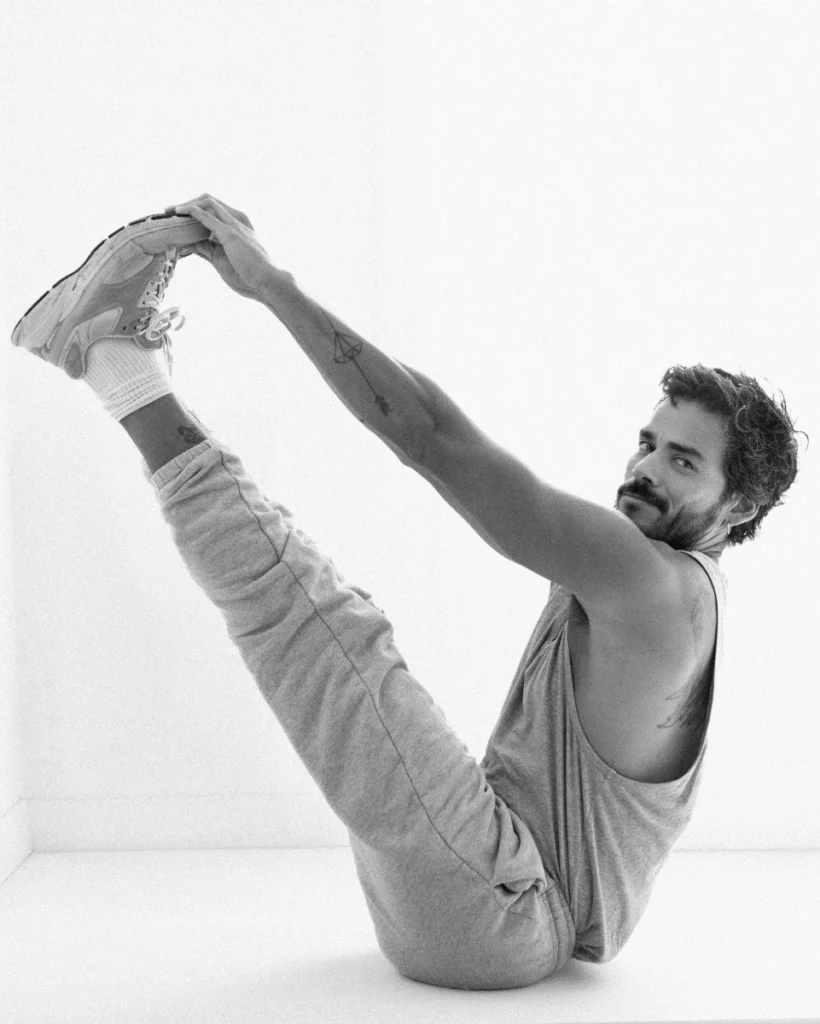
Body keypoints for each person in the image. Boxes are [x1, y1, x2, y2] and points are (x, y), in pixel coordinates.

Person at [11, 194, 805, 990]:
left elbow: (430, 438)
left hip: (501, 911)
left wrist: (272, 286)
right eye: (648, 443)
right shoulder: (685, 589)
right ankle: (121, 364)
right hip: (497, 897)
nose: (646, 470)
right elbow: (452, 450)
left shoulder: (652, 582)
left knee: (325, 630)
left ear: (739, 507)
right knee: (339, 634)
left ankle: (110, 358)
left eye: (683, 462)